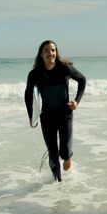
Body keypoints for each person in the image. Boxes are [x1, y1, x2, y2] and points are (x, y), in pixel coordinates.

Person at [25, 40, 86, 182]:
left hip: (65, 114)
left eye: (53, 50)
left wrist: (76, 101)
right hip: (47, 116)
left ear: (56, 53)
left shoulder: (65, 68)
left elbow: (82, 80)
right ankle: (58, 184)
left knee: (63, 151)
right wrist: (31, 116)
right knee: (52, 153)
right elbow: (28, 95)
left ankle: (68, 157)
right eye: (46, 50)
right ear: (41, 54)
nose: (50, 53)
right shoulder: (35, 74)